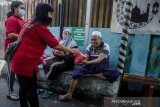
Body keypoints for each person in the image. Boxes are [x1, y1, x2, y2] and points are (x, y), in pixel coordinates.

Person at [11, 3, 78, 107]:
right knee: (32, 91)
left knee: (23, 87)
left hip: (17, 60)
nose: (51, 16)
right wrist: (72, 51)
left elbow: (31, 42)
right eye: (50, 13)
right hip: (27, 63)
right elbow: (57, 46)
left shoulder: (28, 23)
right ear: (44, 14)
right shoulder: (40, 27)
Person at [59, 31, 121, 101]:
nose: (93, 41)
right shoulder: (89, 46)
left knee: (115, 74)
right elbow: (86, 58)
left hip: (102, 67)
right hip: (90, 67)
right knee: (75, 74)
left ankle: (93, 74)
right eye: (92, 39)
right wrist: (82, 61)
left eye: (95, 39)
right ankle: (69, 94)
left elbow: (99, 60)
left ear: (100, 39)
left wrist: (87, 62)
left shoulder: (105, 46)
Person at [39, 28, 78, 99]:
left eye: (68, 34)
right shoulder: (61, 42)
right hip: (58, 58)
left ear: (71, 35)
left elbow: (72, 58)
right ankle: (48, 80)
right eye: (65, 33)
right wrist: (55, 52)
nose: (67, 35)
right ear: (63, 34)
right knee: (45, 62)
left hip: (67, 62)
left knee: (54, 66)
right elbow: (54, 51)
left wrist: (63, 55)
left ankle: (49, 85)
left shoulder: (73, 44)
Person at [4, 1, 25, 101]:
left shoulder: (20, 19)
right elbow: (11, 35)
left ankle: (21, 88)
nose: (23, 10)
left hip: (18, 47)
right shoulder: (12, 19)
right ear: (15, 8)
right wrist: (23, 37)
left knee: (17, 69)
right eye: (22, 8)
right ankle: (10, 92)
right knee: (11, 71)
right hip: (11, 48)